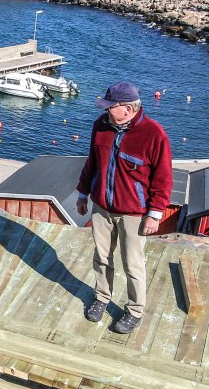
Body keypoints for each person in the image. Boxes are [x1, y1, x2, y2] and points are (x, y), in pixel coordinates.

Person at [76, 81, 172, 334]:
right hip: (102, 207)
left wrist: (154, 214)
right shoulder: (101, 125)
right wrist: (83, 192)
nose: (106, 111)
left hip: (134, 213)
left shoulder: (154, 134)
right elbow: (92, 162)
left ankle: (134, 311)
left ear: (127, 109)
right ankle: (101, 298)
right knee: (102, 257)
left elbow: (163, 179)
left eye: (110, 107)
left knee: (133, 264)